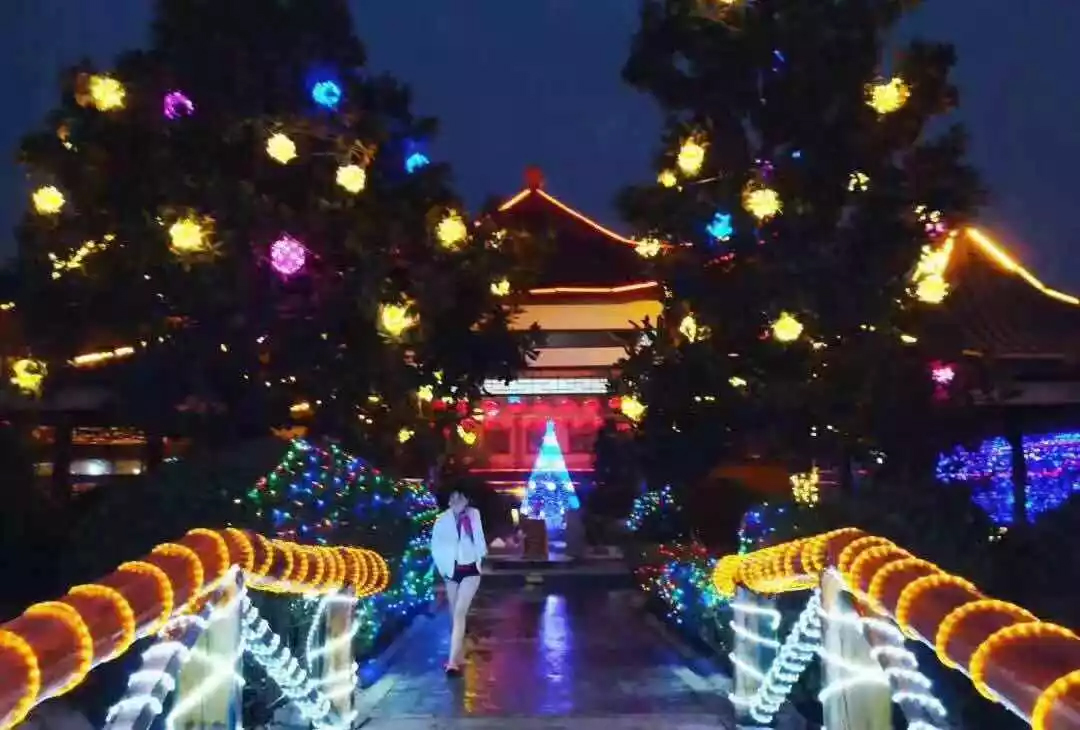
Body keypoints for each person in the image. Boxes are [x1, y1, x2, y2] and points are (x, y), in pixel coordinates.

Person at [430, 487, 487, 675]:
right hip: (451, 572)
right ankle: (459, 654)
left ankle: (452, 662)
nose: (457, 502)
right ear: (449, 501)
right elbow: (435, 546)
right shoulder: (442, 520)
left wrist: (477, 555)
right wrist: (444, 570)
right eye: (453, 498)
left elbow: (480, 543)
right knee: (454, 615)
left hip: (470, 570)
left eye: (460, 498)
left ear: (466, 500)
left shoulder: (473, 515)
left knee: (459, 613)